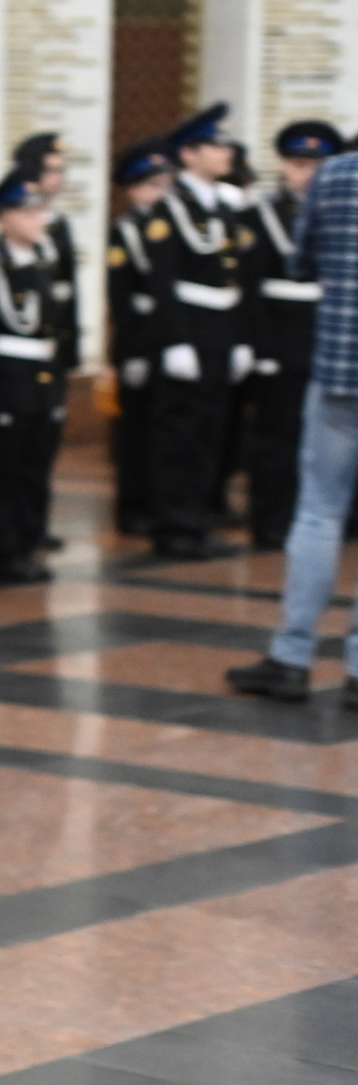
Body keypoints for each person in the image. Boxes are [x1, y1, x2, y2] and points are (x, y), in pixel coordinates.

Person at [227, 135, 358, 704]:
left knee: (318, 516)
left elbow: (300, 261)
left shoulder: (331, 178)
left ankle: (292, 655)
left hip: (337, 377)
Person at [145, 104, 255, 560]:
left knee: (212, 431)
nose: (226, 152)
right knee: (180, 437)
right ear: (189, 154)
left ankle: (199, 520)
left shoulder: (223, 207)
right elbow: (161, 281)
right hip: (187, 332)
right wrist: (175, 341)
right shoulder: (170, 209)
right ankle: (173, 527)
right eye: (216, 145)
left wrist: (242, 338)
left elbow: (236, 279)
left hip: (219, 332)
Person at [241, 122, 341, 548]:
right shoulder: (259, 216)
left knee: (332, 441)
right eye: (299, 164)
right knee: (278, 437)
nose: (309, 174)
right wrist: (258, 347)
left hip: (330, 339)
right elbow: (248, 288)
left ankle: (337, 519)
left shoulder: (343, 212)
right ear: (284, 166)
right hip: (279, 340)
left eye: (317, 164)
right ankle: (272, 520)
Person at [0, 172, 73, 585]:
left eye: (42, 212)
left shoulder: (42, 268)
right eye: (30, 212)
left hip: (41, 383)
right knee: (6, 475)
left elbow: (53, 331)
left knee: (36, 472)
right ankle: (6, 554)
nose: (40, 220)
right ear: (5, 219)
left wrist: (56, 390)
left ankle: (29, 545)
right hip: (8, 384)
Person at [13, 132, 82, 549]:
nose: (58, 178)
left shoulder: (59, 225)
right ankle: (21, 527)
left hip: (51, 346)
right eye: (51, 170)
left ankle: (37, 524)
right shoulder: (21, 222)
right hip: (25, 351)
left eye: (61, 171)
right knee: (21, 451)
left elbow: (68, 292)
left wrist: (69, 349)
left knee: (45, 445)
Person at [106, 136, 175, 537]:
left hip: (166, 337)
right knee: (135, 432)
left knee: (161, 428)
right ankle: (132, 506)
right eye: (152, 185)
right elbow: (122, 295)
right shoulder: (127, 231)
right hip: (140, 338)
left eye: (165, 184)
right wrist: (131, 351)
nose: (160, 193)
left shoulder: (168, 227)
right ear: (133, 190)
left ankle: (157, 500)